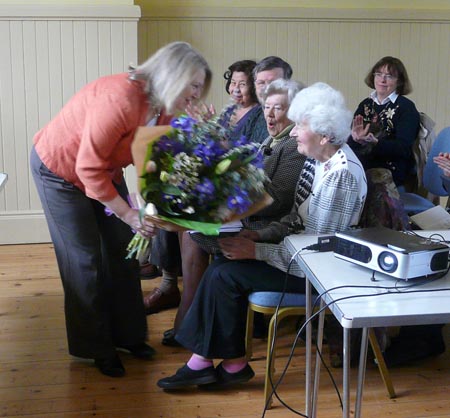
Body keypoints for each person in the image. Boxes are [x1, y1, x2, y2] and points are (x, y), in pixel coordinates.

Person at [157, 82, 367, 390]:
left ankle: (211, 363)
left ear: (324, 135)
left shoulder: (341, 177)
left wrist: (257, 252)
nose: (293, 132)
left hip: (318, 275)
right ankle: (228, 364)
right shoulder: (321, 159)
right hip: (300, 256)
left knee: (224, 274)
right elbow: (297, 220)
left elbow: (319, 256)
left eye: (301, 126)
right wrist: (258, 237)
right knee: (222, 261)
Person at [30, 41, 211, 377]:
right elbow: (86, 170)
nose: (197, 96)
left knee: (124, 251)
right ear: (173, 76)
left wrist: (148, 206)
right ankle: (96, 347)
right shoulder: (119, 99)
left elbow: (151, 158)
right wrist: (128, 214)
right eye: (194, 86)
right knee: (85, 261)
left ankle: (129, 336)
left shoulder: (167, 107)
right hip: (60, 170)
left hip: (104, 170)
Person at [161, 79, 306, 346]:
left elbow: (278, 199)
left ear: (295, 111)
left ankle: (190, 326)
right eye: (267, 107)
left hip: (265, 229)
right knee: (189, 230)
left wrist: (228, 183)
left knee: (196, 238)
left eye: (278, 108)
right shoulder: (271, 141)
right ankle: (194, 326)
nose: (270, 114)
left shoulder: (293, 147)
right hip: (250, 221)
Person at [142, 59, 260, 315]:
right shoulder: (228, 112)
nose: (236, 89)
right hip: (217, 182)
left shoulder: (260, 116)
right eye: (234, 83)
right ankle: (168, 282)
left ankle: (182, 298)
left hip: (237, 191)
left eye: (244, 84)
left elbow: (245, 156)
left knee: (186, 220)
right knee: (168, 198)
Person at [348, 56, 420, 190]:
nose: (382, 79)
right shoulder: (366, 104)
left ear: (399, 82)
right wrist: (355, 139)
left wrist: (376, 143)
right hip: (363, 164)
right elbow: (351, 145)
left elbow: (403, 149)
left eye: (389, 76)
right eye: (379, 74)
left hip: (391, 170)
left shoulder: (406, 108)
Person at [241, 55, 293, 144]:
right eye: (261, 83)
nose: (266, 88)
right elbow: (237, 151)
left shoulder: (295, 119)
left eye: (273, 83)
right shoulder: (254, 115)